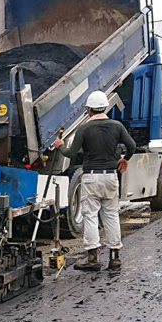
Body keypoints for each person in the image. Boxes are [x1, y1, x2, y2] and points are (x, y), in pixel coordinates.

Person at [52, 91, 136, 271]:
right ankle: (114, 257)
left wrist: (60, 146)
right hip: (111, 177)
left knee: (90, 216)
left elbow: (71, 153)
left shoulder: (84, 129)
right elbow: (132, 145)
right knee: (111, 215)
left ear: (89, 109)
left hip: (91, 177)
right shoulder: (117, 126)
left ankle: (93, 258)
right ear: (105, 107)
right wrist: (125, 159)